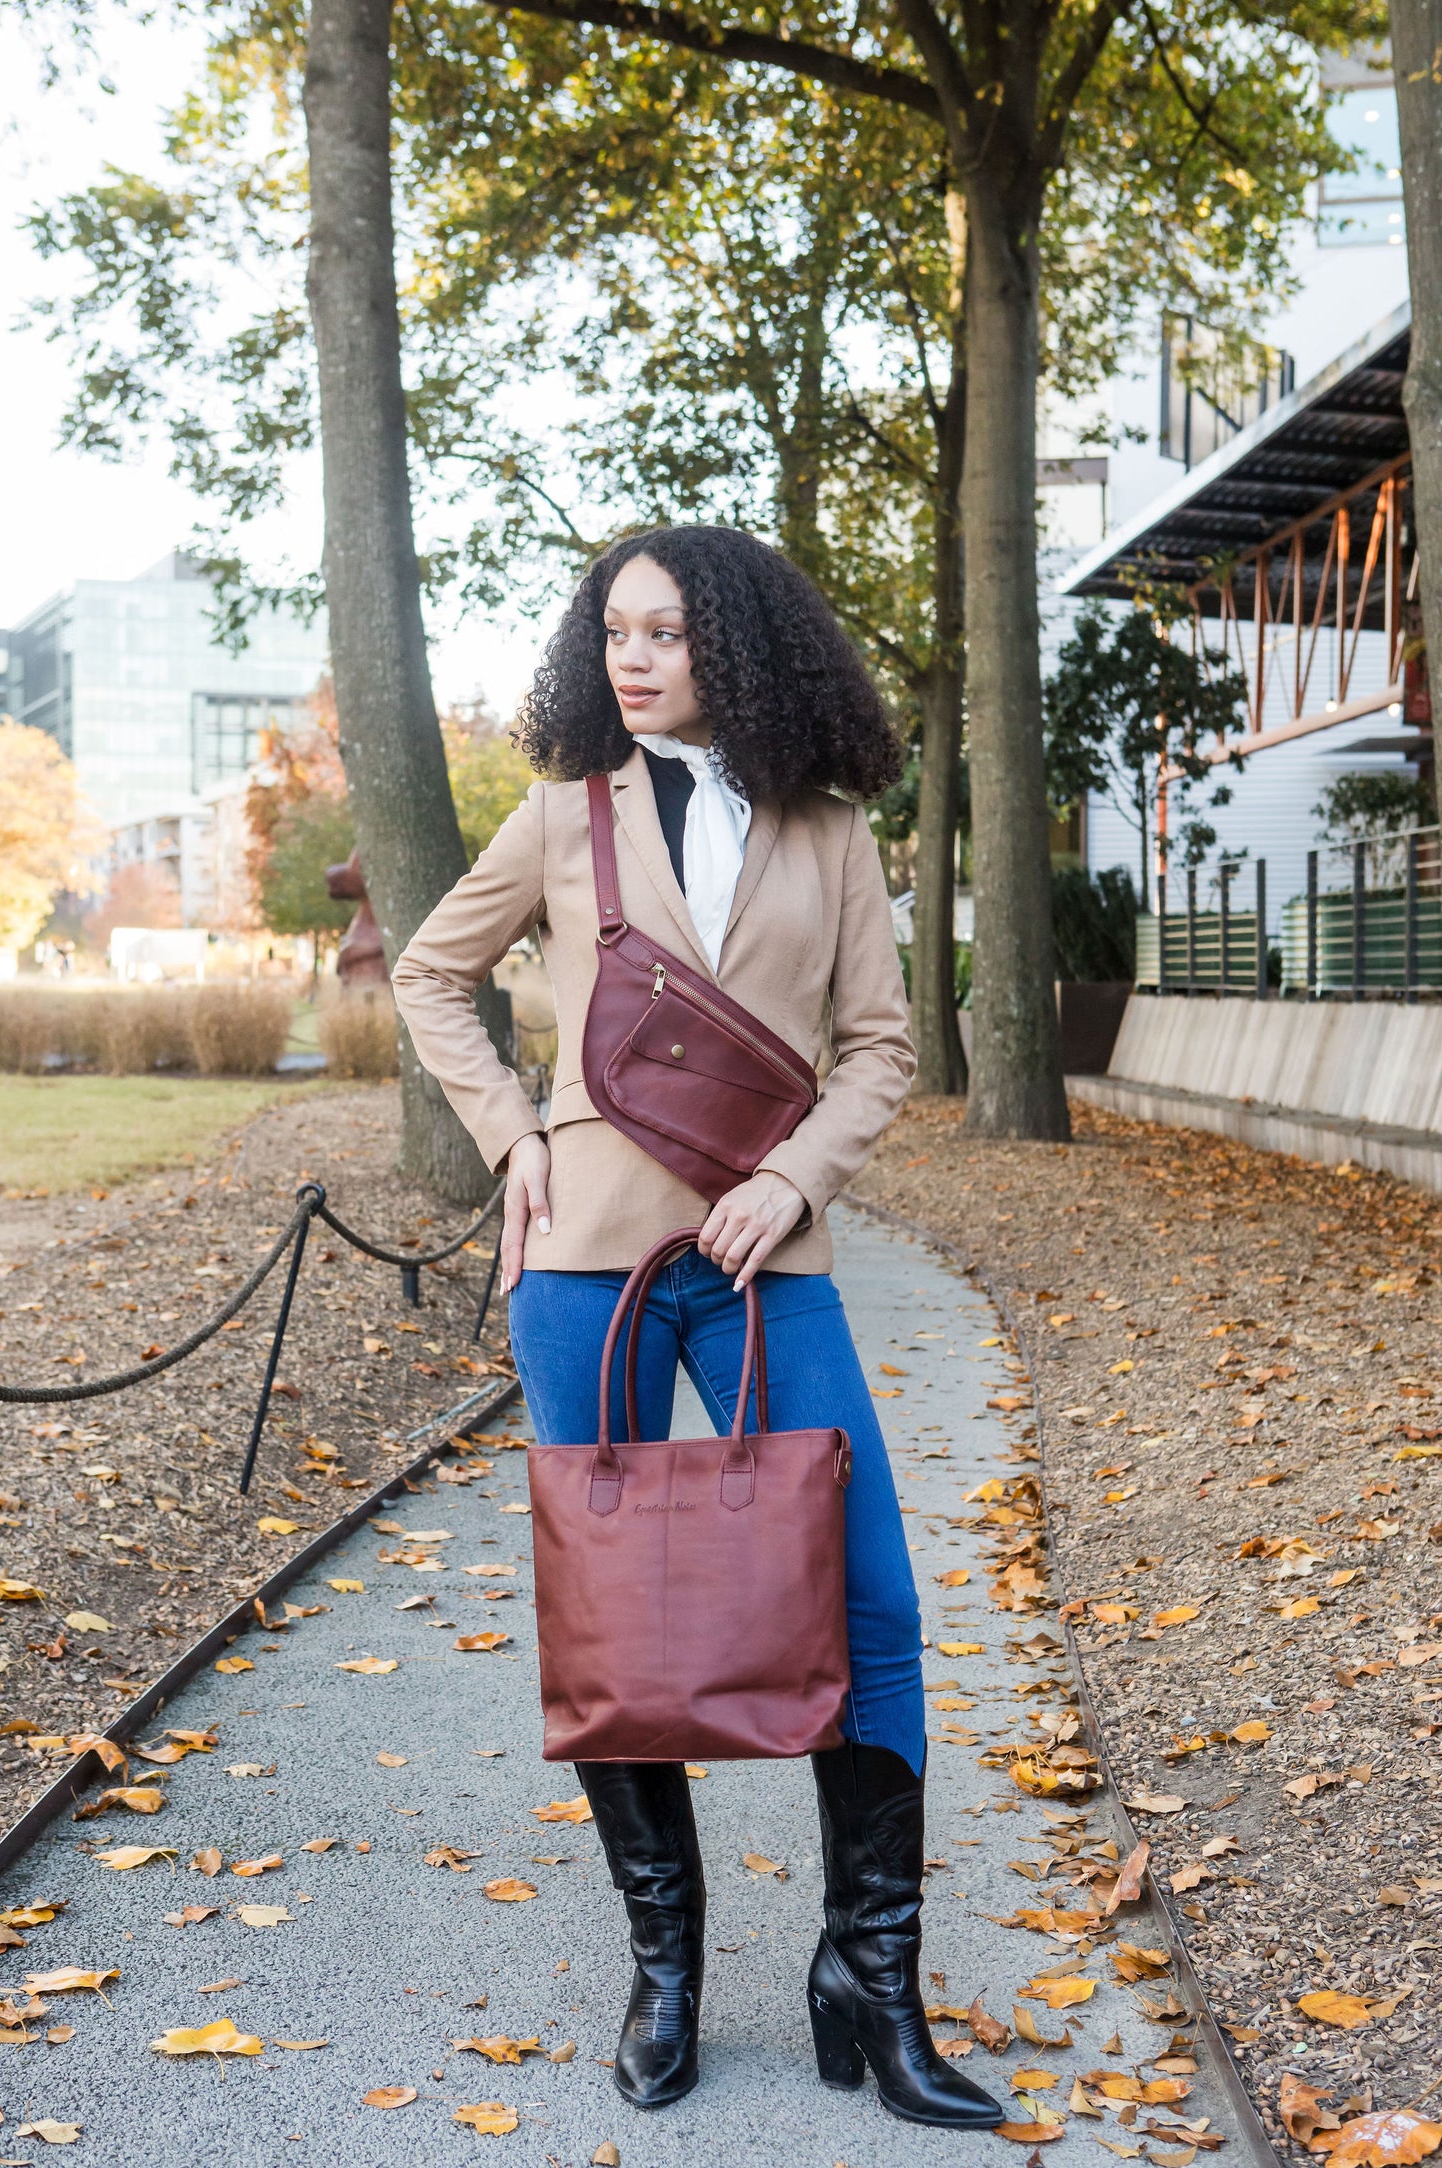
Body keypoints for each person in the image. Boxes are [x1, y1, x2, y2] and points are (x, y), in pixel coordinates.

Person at [391, 525, 1003, 2132]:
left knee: (869, 1607)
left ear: (739, 640)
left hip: (764, 1261)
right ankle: (664, 1973)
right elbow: (429, 976)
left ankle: (872, 1982)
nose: (634, 657)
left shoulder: (831, 828)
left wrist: (792, 1177)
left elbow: (876, 1046)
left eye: (665, 630)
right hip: (584, 1261)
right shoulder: (559, 818)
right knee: (613, 1619)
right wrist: (514, 1140)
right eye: (613, 633)